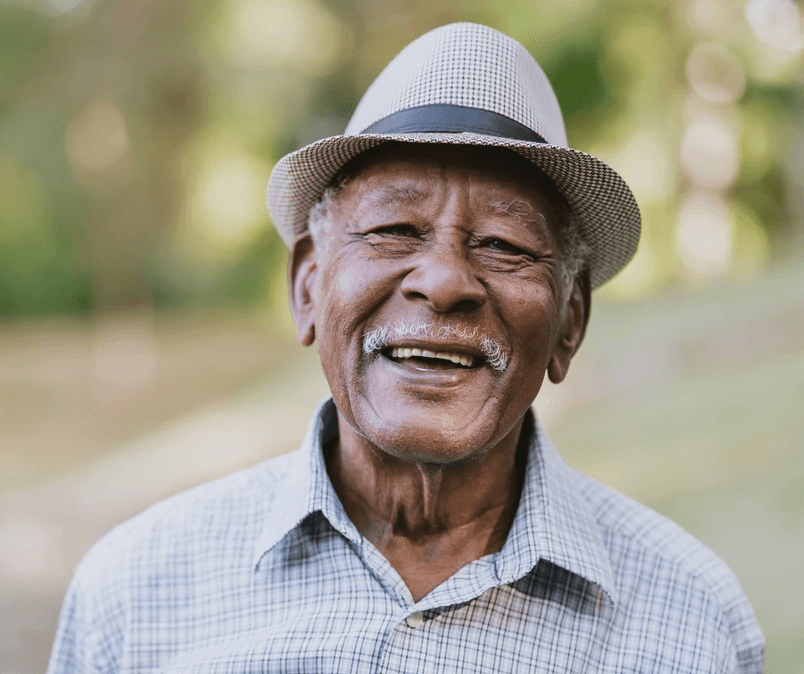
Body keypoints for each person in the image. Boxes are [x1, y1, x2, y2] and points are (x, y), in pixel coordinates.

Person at [48, 22, 764, 673]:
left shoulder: (691, 622)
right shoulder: (134, 593)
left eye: (504, 244)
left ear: (570, 320)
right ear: (307, 286)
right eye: (393, 231)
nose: (445, 282)